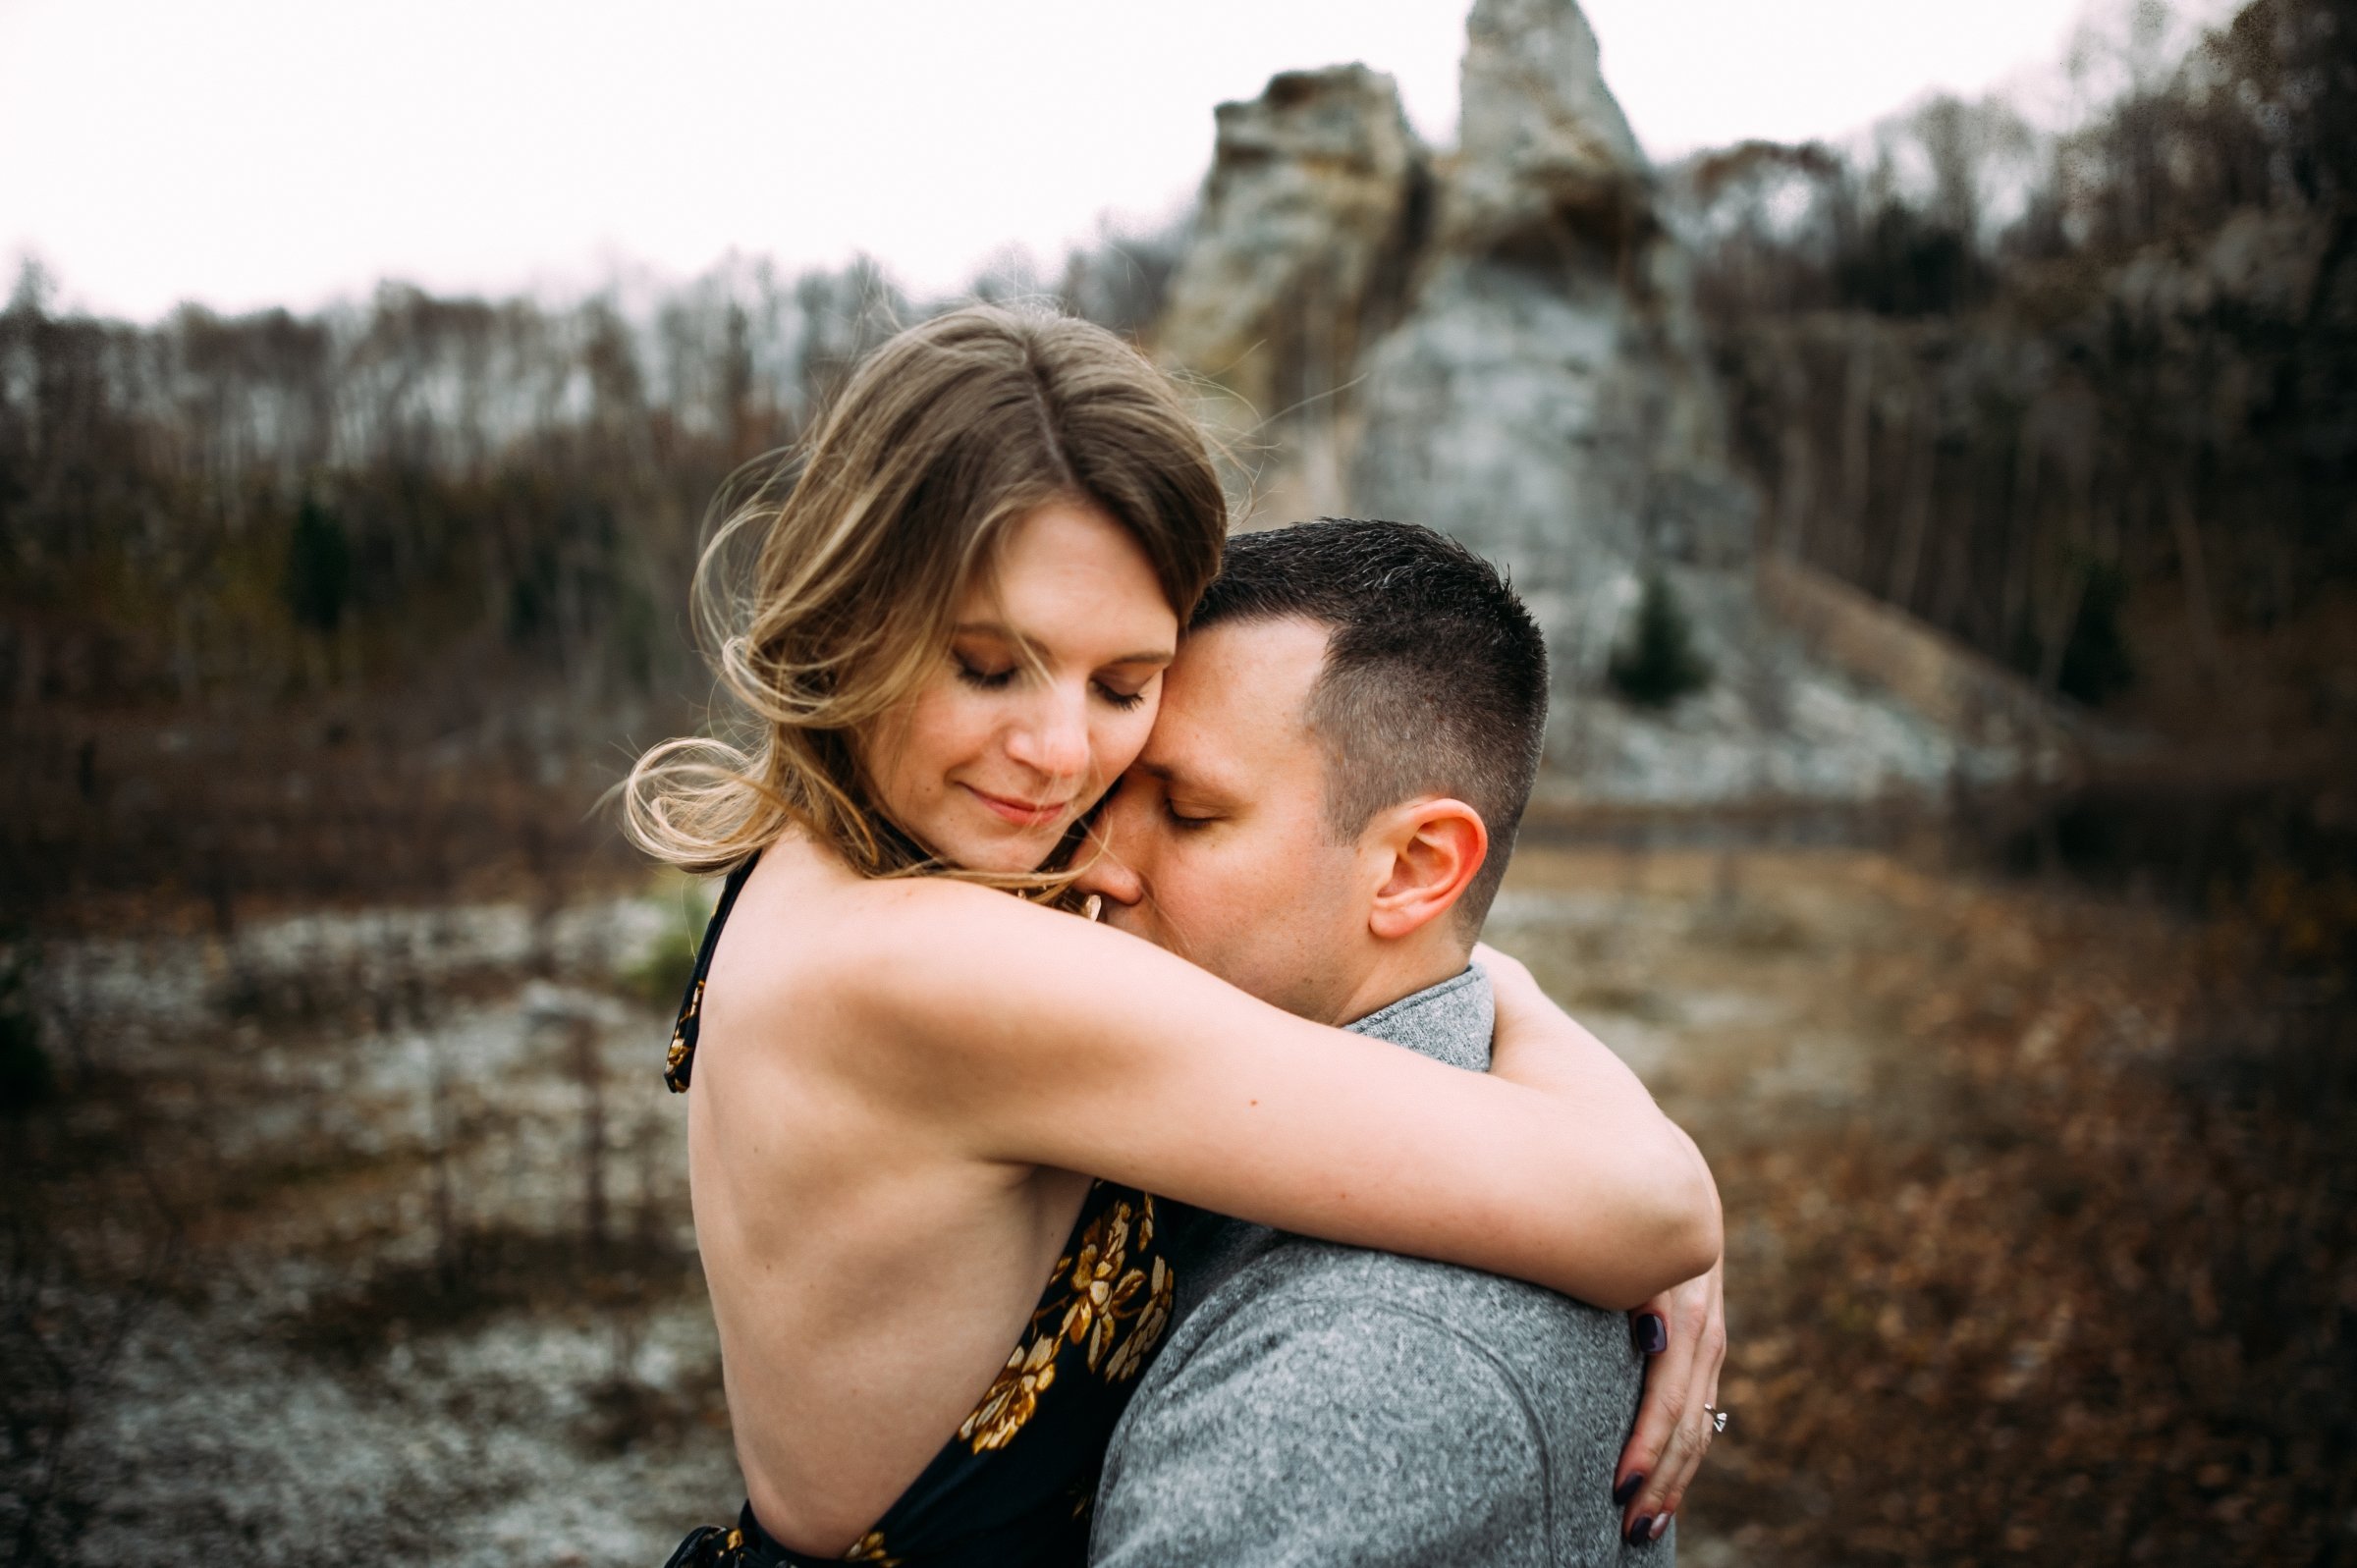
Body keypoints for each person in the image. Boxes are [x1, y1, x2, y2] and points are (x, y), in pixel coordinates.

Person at [629, 305, 1722, 1568]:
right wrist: (1652, 1231)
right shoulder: (946, 971)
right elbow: (1649, 1202)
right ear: (848, 614)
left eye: (1121, 684)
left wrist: (1501, 991)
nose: (1060, 759)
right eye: (989, 666)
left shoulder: (826, 862)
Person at [1077, 519, 1727, 1567]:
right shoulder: (1515, 1109)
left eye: (1189, 812)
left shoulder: (1354, 1378)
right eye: (1105, 791)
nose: (1094, 860)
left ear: (1418, 868)